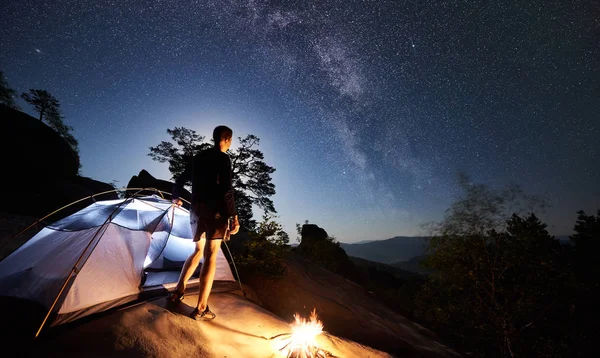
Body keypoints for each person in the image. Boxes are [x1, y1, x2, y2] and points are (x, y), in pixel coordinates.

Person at [169, 125, 240, 320]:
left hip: (195, 211)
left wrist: (176, 197)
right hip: (215, 212)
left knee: (198, 251)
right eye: (230, 140)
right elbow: (227, 189)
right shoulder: (223, 158)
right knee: (210, 256)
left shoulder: (199, 157)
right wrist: (233, 215)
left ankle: (177, 292)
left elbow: (180, 179)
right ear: (226, 139)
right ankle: (201, 308)